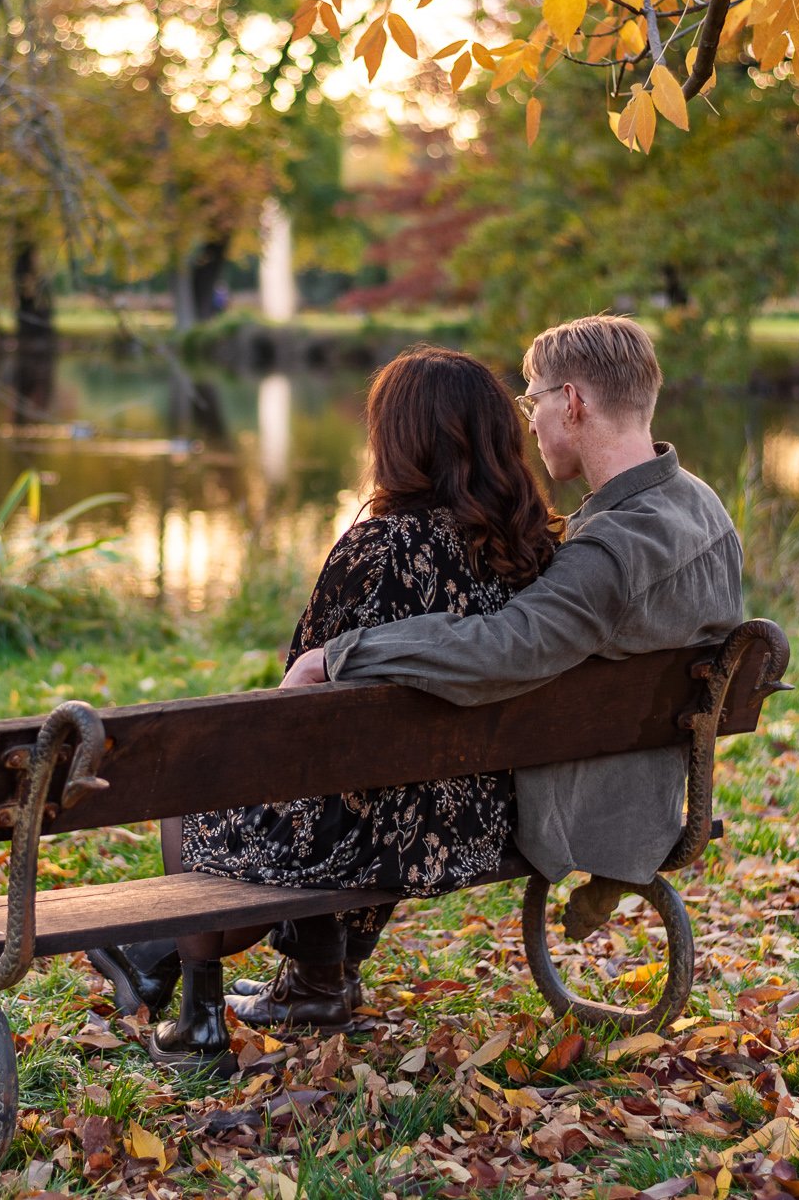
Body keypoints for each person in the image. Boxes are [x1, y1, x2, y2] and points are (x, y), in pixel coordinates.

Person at [90, 345, 561, 1068]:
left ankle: (194, 1009)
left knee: (191, 782)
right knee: (349, 782)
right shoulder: (531, 552)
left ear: (399, 440)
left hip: (379, 826)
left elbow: (298, 709)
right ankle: (309, 978)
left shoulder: (378, 547)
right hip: (476, 819)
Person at [281, 313, 743, 965]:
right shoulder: (704, 509)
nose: (529, 421)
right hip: (652, 796)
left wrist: (340, 653)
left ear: (573, 402)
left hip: (570, 809)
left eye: (533, 399)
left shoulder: (611, 551)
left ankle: (306, 973)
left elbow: (502, 650)